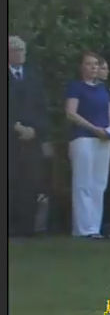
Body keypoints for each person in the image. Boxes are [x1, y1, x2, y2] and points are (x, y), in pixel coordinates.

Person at [65, 51, 110, 239]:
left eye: (96, 64)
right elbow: (71, 113)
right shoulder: (75, 87)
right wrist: (94, 129)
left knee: (99, 184)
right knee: (83, 183)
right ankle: (82, 229)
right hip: (83, 138)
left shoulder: (104, 89)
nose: (93, 67)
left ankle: (95, 228)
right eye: (89, 64)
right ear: (81, 67)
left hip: (103, 139)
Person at [8, 36, 49, 237]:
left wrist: (35, 130)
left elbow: (42, 108)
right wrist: (15, 126)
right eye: (15, 49)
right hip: (9, 139)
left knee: (30, 182)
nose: (20, 53)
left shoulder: (33, 77)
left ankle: (27, 228)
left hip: (32, 139)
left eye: (22, 49)